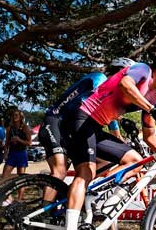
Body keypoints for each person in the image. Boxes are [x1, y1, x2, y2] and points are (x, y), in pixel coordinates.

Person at [61, 43, 156, 230]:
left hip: (94, 126)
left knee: (135, 161)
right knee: (86, 171)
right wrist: (151, 109)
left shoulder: (153, 97)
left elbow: (149, 136)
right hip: (80, 118)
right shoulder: (142, 70)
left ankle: (94, 196)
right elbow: (125, 85)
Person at [39, 58, 134, 187]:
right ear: (121, 73)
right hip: (55, 121)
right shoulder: (100, 79)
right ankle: (47, 206)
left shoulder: (111, 94)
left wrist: (123, 144)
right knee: (59, 172)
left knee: (104, 164)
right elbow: (96, 103)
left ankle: (74, 196)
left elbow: (110, 121)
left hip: (72, 127)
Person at [2, 109, 32, 185]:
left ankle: (20, 197)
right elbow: (6, 143)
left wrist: (19, 140)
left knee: (21, 178)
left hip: (22, 153)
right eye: (13, 115)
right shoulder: (9, 128)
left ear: (20, 117)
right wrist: (5, 153)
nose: (14, 117)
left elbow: (29, 143)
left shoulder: (25, 127)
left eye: (16, 115)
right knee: (4, 176)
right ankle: (8, 196)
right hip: (12, 153)